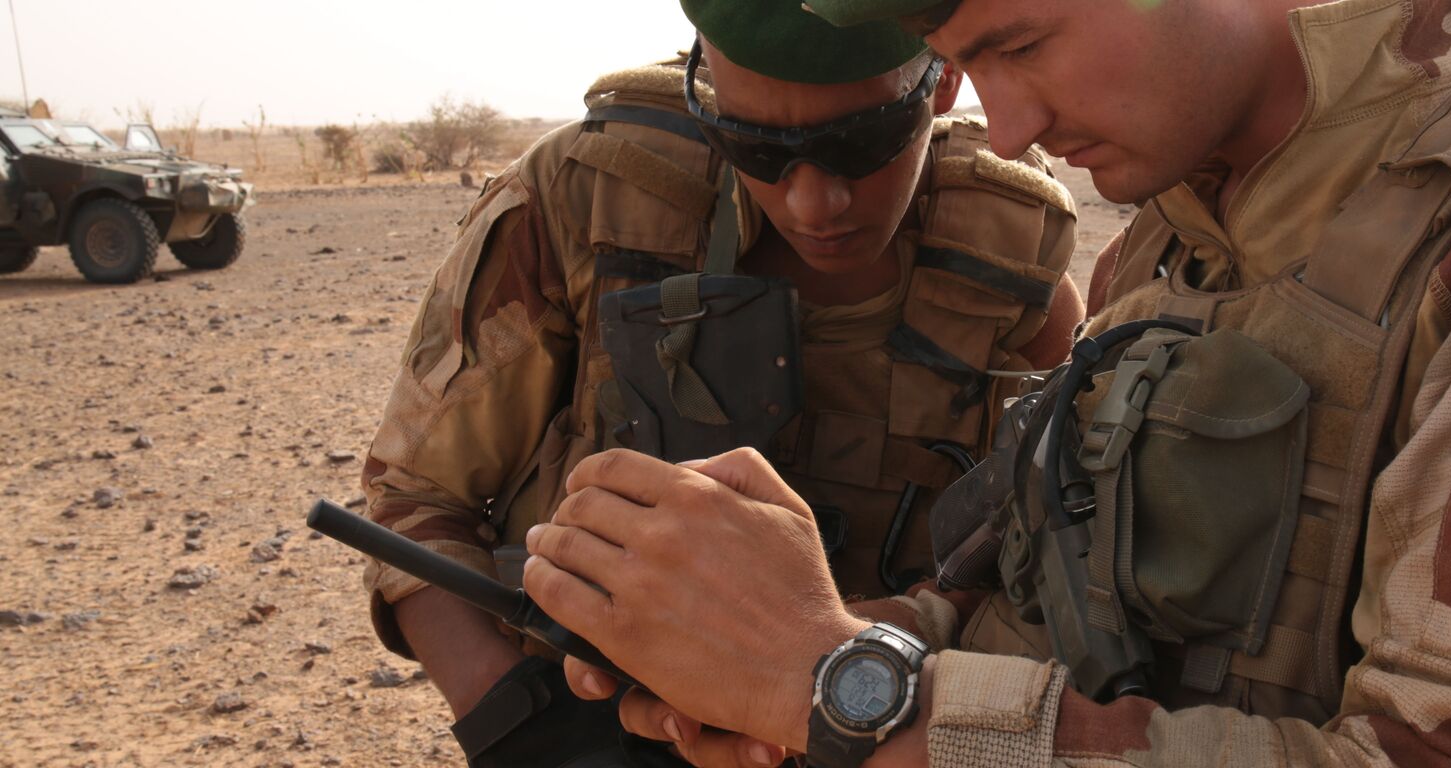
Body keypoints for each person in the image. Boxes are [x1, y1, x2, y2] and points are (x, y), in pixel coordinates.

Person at [522, 0, 1451, 766]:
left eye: (1021, 40)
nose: (1010, 126)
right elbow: (1061, 624)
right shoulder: (1168, 251)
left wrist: (856, 696)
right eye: (973, 72)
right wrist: (784, 640)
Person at [355, 0, 1085, 763]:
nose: (815, 203)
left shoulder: (1007, 259)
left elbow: (1049, 559)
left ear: (943, 83)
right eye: (757, 146)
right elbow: (414, 497)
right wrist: (520, 722)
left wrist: (891, 639)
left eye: (861, 141)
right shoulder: (589, 198)